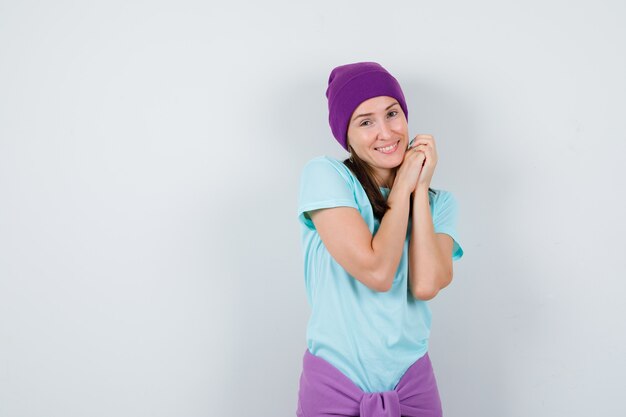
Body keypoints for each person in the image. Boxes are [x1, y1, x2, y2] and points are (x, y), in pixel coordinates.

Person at [295, 62, 464, 417]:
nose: (386, 132)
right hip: (335, 385)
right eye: (366, 121)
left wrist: (419, 190)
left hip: (413, 385)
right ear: (347, 135)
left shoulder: (440, 203)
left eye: (392, 113)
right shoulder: (327, 177)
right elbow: (377, 271)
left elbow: (426, 284)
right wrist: (402, 185)